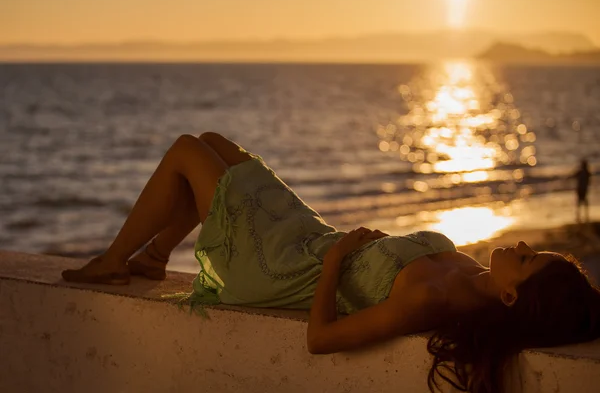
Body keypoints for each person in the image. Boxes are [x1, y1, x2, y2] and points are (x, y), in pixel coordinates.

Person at [62, 133, 600, 393]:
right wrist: (363, 248)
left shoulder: (431, 299)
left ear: (511, 297)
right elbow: (388, 263)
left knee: (186, 152)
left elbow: (319, 339)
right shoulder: (466, 268)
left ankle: (113, 260)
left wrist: (340, 258)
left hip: (282, 268)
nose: (522, 247)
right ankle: (155, 258)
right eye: (532, 249)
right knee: (214, 146)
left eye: (527, 260)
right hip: (313, 240)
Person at [574, 158, 592, 223]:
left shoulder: (582, 172)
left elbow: (574, 175)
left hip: (581, 188)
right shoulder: (586, 172)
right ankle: (584, 216)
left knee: (580, 202)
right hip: (583, 188)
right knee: (583, 202)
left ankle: (580, 216)